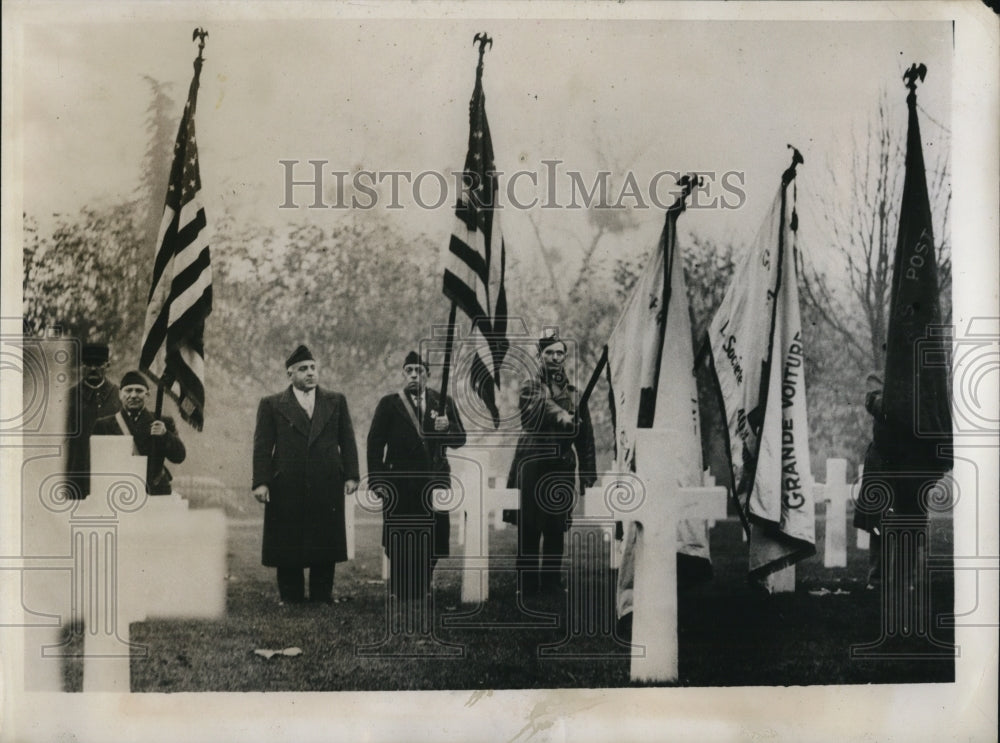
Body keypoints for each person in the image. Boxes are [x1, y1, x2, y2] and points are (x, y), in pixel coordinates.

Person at [251, 345, 359, 605]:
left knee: (325, 539)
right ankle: (291, 597)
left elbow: (348, 439)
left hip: (326, 481)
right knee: (288, 540)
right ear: (290, 374)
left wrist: (352, 475)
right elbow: (262, 446)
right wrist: (261, 482)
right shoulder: (272, 404)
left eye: (313, 368)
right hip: (287, 483)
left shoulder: (336, 400)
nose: (310, 373)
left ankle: (323, 595)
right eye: (303, 369)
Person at [367, 351, 466, 602]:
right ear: (403, 374)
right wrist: (377, 479)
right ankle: (402, 588)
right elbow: (375, 443)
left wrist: (448, 428)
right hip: (399, 480)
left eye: (418, 370)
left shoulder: (443, 402)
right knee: (400, 534)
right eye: (409, 370)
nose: (413, 375)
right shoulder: (389, 403)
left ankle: (422, 584)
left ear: (427, 375)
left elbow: (460, 439)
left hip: (434, 479)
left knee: (433, 532)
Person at [507, 331, 596, 597]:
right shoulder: (530, 386)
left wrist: (587, 474)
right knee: (530, 527)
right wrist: (563, 417)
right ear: (540, 355)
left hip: (561, 464)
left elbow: (586, 437)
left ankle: (551, 583)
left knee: (556, 527)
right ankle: (527, 584)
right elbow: (539, 407)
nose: (555, 358)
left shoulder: (575, 394)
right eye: (549, 353)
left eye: (559, 353)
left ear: (565, 357)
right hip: (533, 461)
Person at [92, 370, 186, 495]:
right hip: (119, 491)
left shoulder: (163, 422)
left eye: (139, 390)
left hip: (155, 490)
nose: (133, 395)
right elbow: (98, 464)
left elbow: (179, 457)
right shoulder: (103, 425)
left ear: (147, 394)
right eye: (128, 390)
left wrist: (165, 435)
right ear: (120, 394)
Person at [65, 343, 120, 498]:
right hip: (77, 471)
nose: (93, 369)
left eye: (98, 364)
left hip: (111, 470)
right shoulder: (69, 397)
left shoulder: (118, 396)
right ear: (82, 366)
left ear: (107, 366)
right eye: (88, 364)